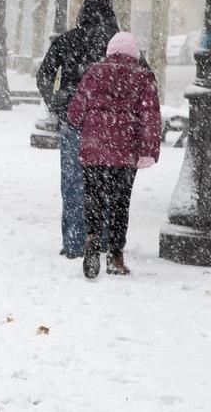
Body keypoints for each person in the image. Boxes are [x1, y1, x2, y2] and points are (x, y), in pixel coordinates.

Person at [67, 32, 160, 278]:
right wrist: (148, 150)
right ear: (135, 54)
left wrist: (78, 120)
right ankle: (116, 257)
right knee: (120, 203)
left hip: (94, 147)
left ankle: (92, 237)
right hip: (125, 152)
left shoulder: (94, 71)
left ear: (110, 51)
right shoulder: (142, 76)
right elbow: (150, 116)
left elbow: (76, 109)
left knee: (93, 197)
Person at [36, 0, 119, 258]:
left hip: (76, 123)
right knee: (106, 184)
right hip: (110, 126)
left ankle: (74, 241)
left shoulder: (67, 40)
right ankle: (102, 239)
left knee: (73, 183)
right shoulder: (117, 46)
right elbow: (142, 78)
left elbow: (44, 75)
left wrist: (58, 103)